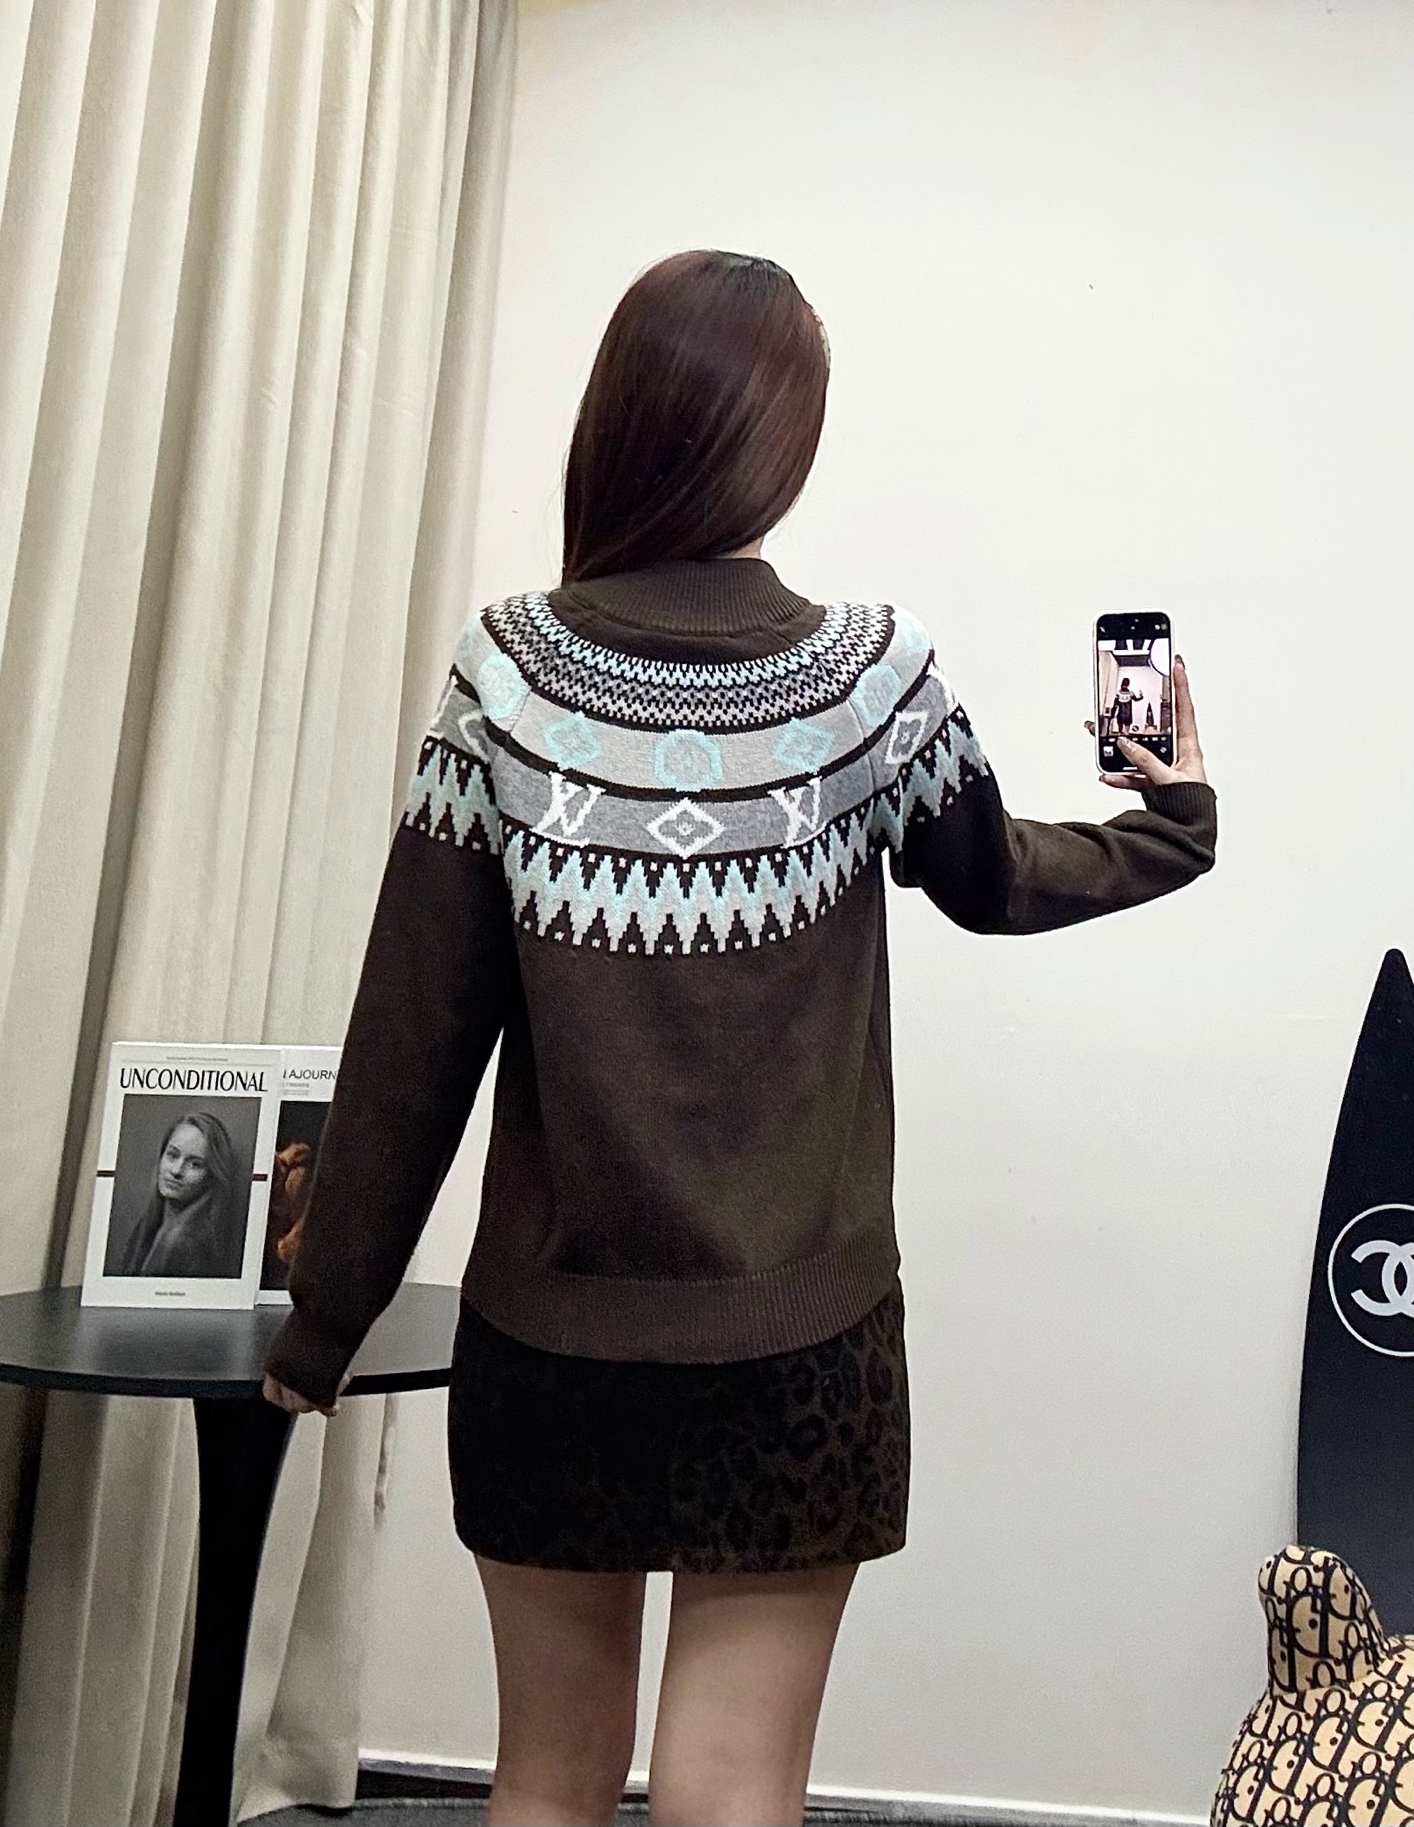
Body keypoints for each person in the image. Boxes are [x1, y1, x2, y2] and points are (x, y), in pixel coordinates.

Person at [261, 249, 1217, 1827]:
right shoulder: (869, 681)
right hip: (801, 1348)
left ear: (620, 421)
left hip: (548, 1345)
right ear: (781, 446)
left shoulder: (506, 676)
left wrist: (325, 1320)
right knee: (730, 1788)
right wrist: (1171, 821)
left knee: (545, 1778)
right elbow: (995, 878)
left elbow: (413, 1026)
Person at [118, 1110, 244, 1278]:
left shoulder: (185, 1244)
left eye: (195, 1164)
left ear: (212, 1175)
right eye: (172, 1155)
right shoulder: (149, 1225)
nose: (177, 1171)